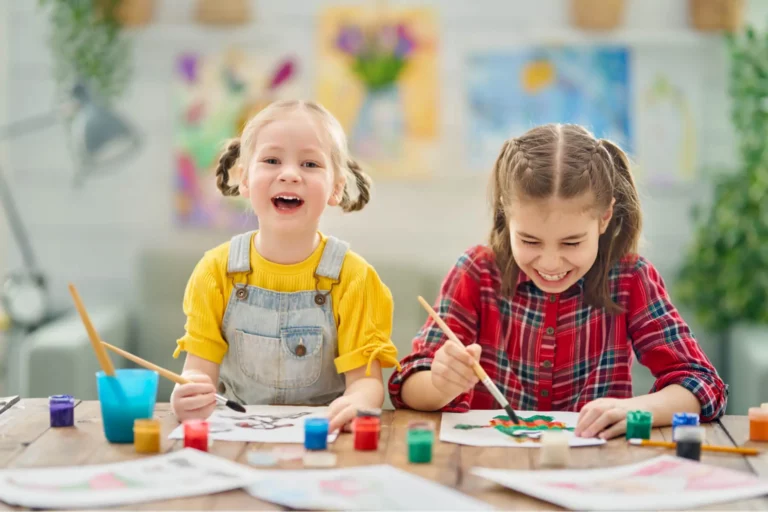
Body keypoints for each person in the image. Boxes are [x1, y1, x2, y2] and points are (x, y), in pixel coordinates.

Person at [388, 123, 727, 439]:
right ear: (507, 216)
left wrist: (639, 410)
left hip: (593, 477)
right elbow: (406, 385)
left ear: (604, 217)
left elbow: (702, 382)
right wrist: (439, 384)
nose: (550, 263)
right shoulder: (476, 272)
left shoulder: (629, 278)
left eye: (571, 243)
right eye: (531, 241)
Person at [171, 100, 399, 432]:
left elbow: (366, 384)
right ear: (245, 179)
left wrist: (357, 402)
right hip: (237, 441)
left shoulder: (355, 279)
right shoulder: (215, 271)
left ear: (336, 187)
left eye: (309, 163)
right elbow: (198, 372)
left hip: (323, 439)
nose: (290, 174)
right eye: (272, 160)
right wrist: (186, 391)